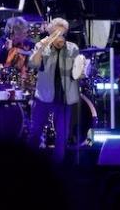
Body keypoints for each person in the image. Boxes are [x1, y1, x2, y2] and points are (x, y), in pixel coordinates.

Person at [27, 17, 82, 162]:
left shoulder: (72, 48)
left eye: (62, 33)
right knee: (35, 132)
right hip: (43, 96)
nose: (59, 36)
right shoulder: (42, 46)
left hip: (63, 98)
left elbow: (77, 71)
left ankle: (58, 168)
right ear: (50, 32)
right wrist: (42, 47)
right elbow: (33, 64)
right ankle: (30, 164)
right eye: (56, 33)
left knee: (62, 136)